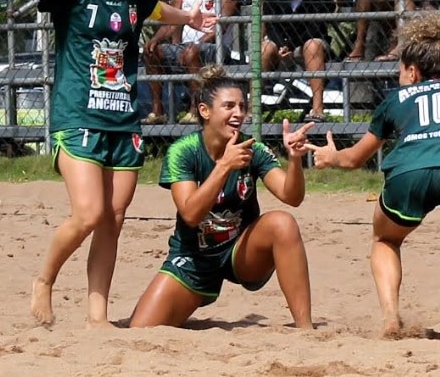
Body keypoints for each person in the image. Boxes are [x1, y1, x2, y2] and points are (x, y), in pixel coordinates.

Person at [0, 0, 216, 327]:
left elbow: (157, 6)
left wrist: (189, 20)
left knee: (113, 220)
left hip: (123, 120)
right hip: (78, 116)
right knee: (89, 214)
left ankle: (97, 316)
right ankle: (44, 280)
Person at [304, 11, 440, 337]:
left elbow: (355, 159)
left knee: (385, 238)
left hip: (408, 173)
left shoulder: (395, 99)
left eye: (401, 69)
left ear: (413, 71)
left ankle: (390, 318)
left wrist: (331, 157)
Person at [128, 64, 314, 329]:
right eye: (229, 106)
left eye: (242, 106)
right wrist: (224, 166)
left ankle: (305, 328)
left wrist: (295, 160)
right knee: (141, 330)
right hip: (194, 257)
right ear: (205, 111)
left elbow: (291, 196)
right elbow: (191, 215)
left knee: (283, 223)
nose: (238, 113)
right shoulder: (183, 151)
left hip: (241, 252)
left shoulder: (253, 149)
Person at [142, 0, 238, 125]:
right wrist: (155, 39)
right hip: (185, 47)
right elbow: (172, 22)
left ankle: (195, 109)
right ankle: (157, 111)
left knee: (192, 52)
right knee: (151, 50)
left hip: (215, 47)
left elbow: (221, 26)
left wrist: (198, 42)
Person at [259, 0, 335, 123]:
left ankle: (317, 109)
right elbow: (271, 26)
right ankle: (253, 108)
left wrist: (291, 46)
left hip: (308, 41)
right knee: (265, 47)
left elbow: (315, 27)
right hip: (280, 43)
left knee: (312, 45)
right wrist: (281, 45)